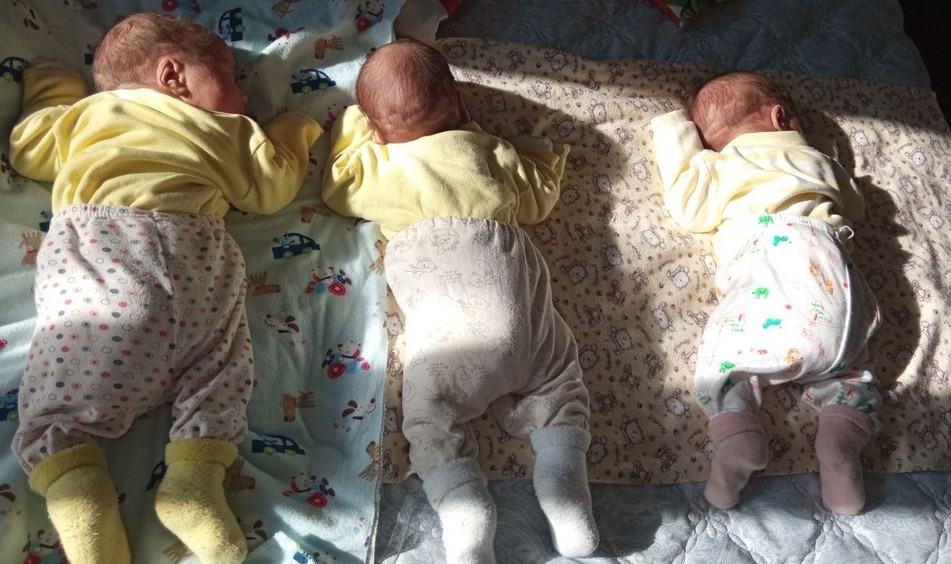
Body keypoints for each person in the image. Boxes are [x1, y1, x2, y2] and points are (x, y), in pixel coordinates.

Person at [8, 12, 322, 564]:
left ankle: (79, 490)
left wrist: (54, 88)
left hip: (104, 265)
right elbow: (271, 187)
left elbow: (27, 149)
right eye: (232, 81)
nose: (244, 97)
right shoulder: (224, 130)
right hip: (199, 264)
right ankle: (194, 482)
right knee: (220, 368)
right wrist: (296, 130)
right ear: (174, 76)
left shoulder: (84, 118)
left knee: (60, 399)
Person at [321, 39, 598, 562]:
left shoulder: (381, 169)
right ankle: (564, 485)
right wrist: (541, 152)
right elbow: (539, 199)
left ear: (377, 133)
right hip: (525, 327)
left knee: (430, 421)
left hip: (450, 345)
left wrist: (356, 125)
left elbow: (338, 184)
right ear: (463, 108)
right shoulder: (489, 151)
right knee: (562, 387)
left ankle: (465, 511)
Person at [650, 71, 882, 515]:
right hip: (841, 292)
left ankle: (739, 438)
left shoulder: (722, 166)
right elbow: (855, 206)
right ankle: (841, 446)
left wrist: (674, 131)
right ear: (782, 118)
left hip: (773, 270)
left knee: (724, 362)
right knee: (850, 375)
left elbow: (688, 208)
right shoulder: (819, 161)